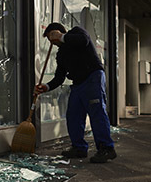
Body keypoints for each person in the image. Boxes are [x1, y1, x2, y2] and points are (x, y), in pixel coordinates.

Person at [35, 22, 117, 163]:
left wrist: (62, 37)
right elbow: (59, 77)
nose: (52, 43)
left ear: (58, 33)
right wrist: (46, 87)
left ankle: (106, 148)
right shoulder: (61, 54)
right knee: (73, 115)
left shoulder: (77, 32)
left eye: (52, 38)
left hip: (93, 77)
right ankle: (79, 148)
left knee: (97, 112)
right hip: (78, 84)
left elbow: (83, 41)